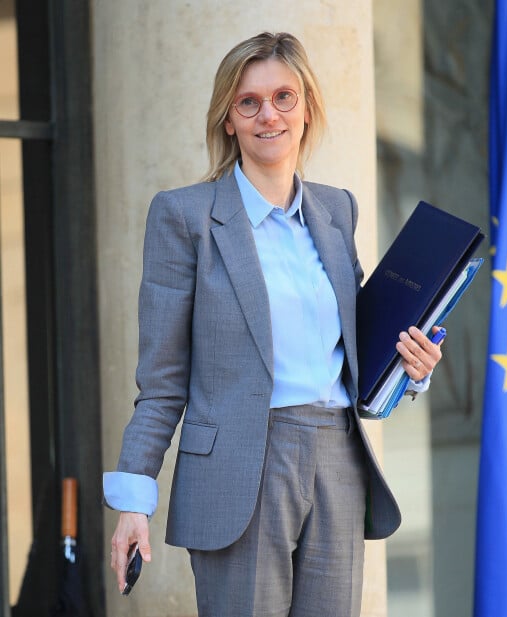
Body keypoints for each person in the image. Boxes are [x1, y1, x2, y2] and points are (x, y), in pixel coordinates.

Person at [104, 31, 443, 617]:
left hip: (338, 460)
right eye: (249, 102)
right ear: (228, 120)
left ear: (307, 109)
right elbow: (161, 382)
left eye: (284, 97)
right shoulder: (183, 217)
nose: (269, 115)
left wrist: (410, 370)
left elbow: (355, 356)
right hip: (242, 469)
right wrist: (134, 500)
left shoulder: (336, 210)